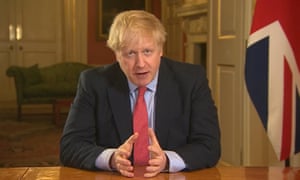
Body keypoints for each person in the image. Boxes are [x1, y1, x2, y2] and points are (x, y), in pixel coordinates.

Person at [60, 10, 221, 178]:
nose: (140, 64)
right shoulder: (94, 83)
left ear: (160, 50)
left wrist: (167, 160)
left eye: (147, 51)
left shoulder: (191, 80)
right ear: (116, 55)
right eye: (130, 53)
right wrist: (111, 158)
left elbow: (209, 146)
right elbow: (70, 146)